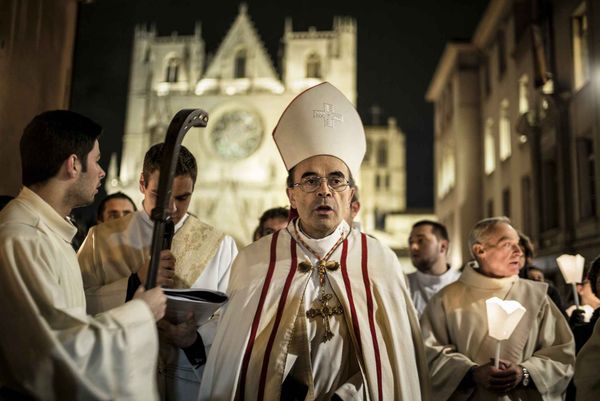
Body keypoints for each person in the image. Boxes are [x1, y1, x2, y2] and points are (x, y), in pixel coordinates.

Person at [199, 82, 430, 401]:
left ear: (350, 194)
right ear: (291, 196)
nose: (324, 190)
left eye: (336, 179)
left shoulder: (379, 261)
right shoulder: (255, 261)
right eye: (310, 180)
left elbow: (395, 366)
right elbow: (232, 363)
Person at [0, 110, 166, 400]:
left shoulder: (50, 232)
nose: (102, 171)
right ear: (73, 164)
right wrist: (141, 312)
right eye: (97, 160)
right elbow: (58, 354)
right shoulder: (22, 237)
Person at [78, 143, 238, 400]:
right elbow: (76, 304)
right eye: (161, 195)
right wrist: (133, 283)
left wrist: (192, 339)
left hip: (185, 379)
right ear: (142, 183)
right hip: (117, 379)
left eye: (183, 197)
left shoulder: (220, 245)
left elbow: (232, 319)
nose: (172, 208)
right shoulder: (101, 239)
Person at [421, 216, 575, 401]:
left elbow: (561, 355)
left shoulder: (538, 297)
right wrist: (472, 373)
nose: (518, 251)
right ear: (480, 250)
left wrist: (525, 373)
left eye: (518, 244)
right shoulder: (445, 300)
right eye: (507, 245)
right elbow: (429, 355)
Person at [406, 220, 459, 316]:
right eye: (410, 242)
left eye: (421, 240)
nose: (413, 247)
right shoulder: (403, 285)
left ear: (443, 246)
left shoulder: (464, 283)